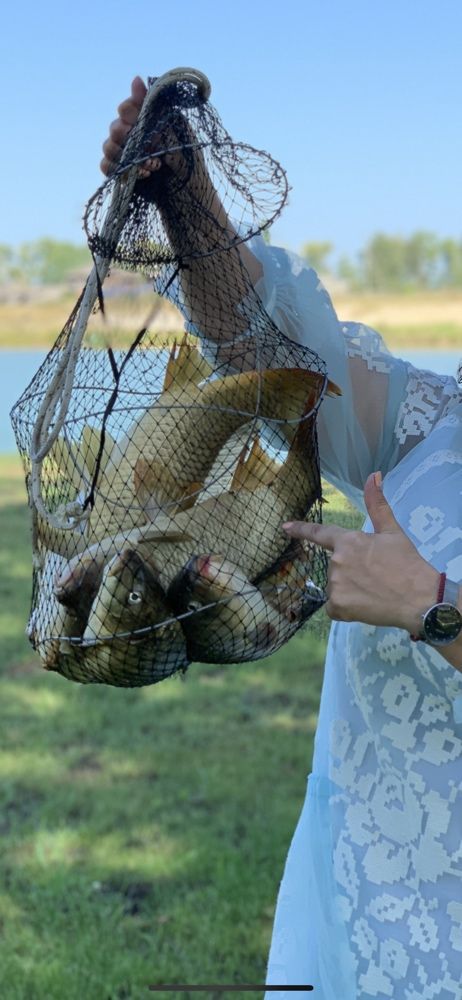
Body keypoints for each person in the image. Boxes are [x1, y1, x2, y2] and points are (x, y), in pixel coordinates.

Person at [102, 77, 462, 999]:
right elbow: (284, 365)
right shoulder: (439, 420)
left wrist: (433, 608)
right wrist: (186, 198)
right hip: (347, 907)